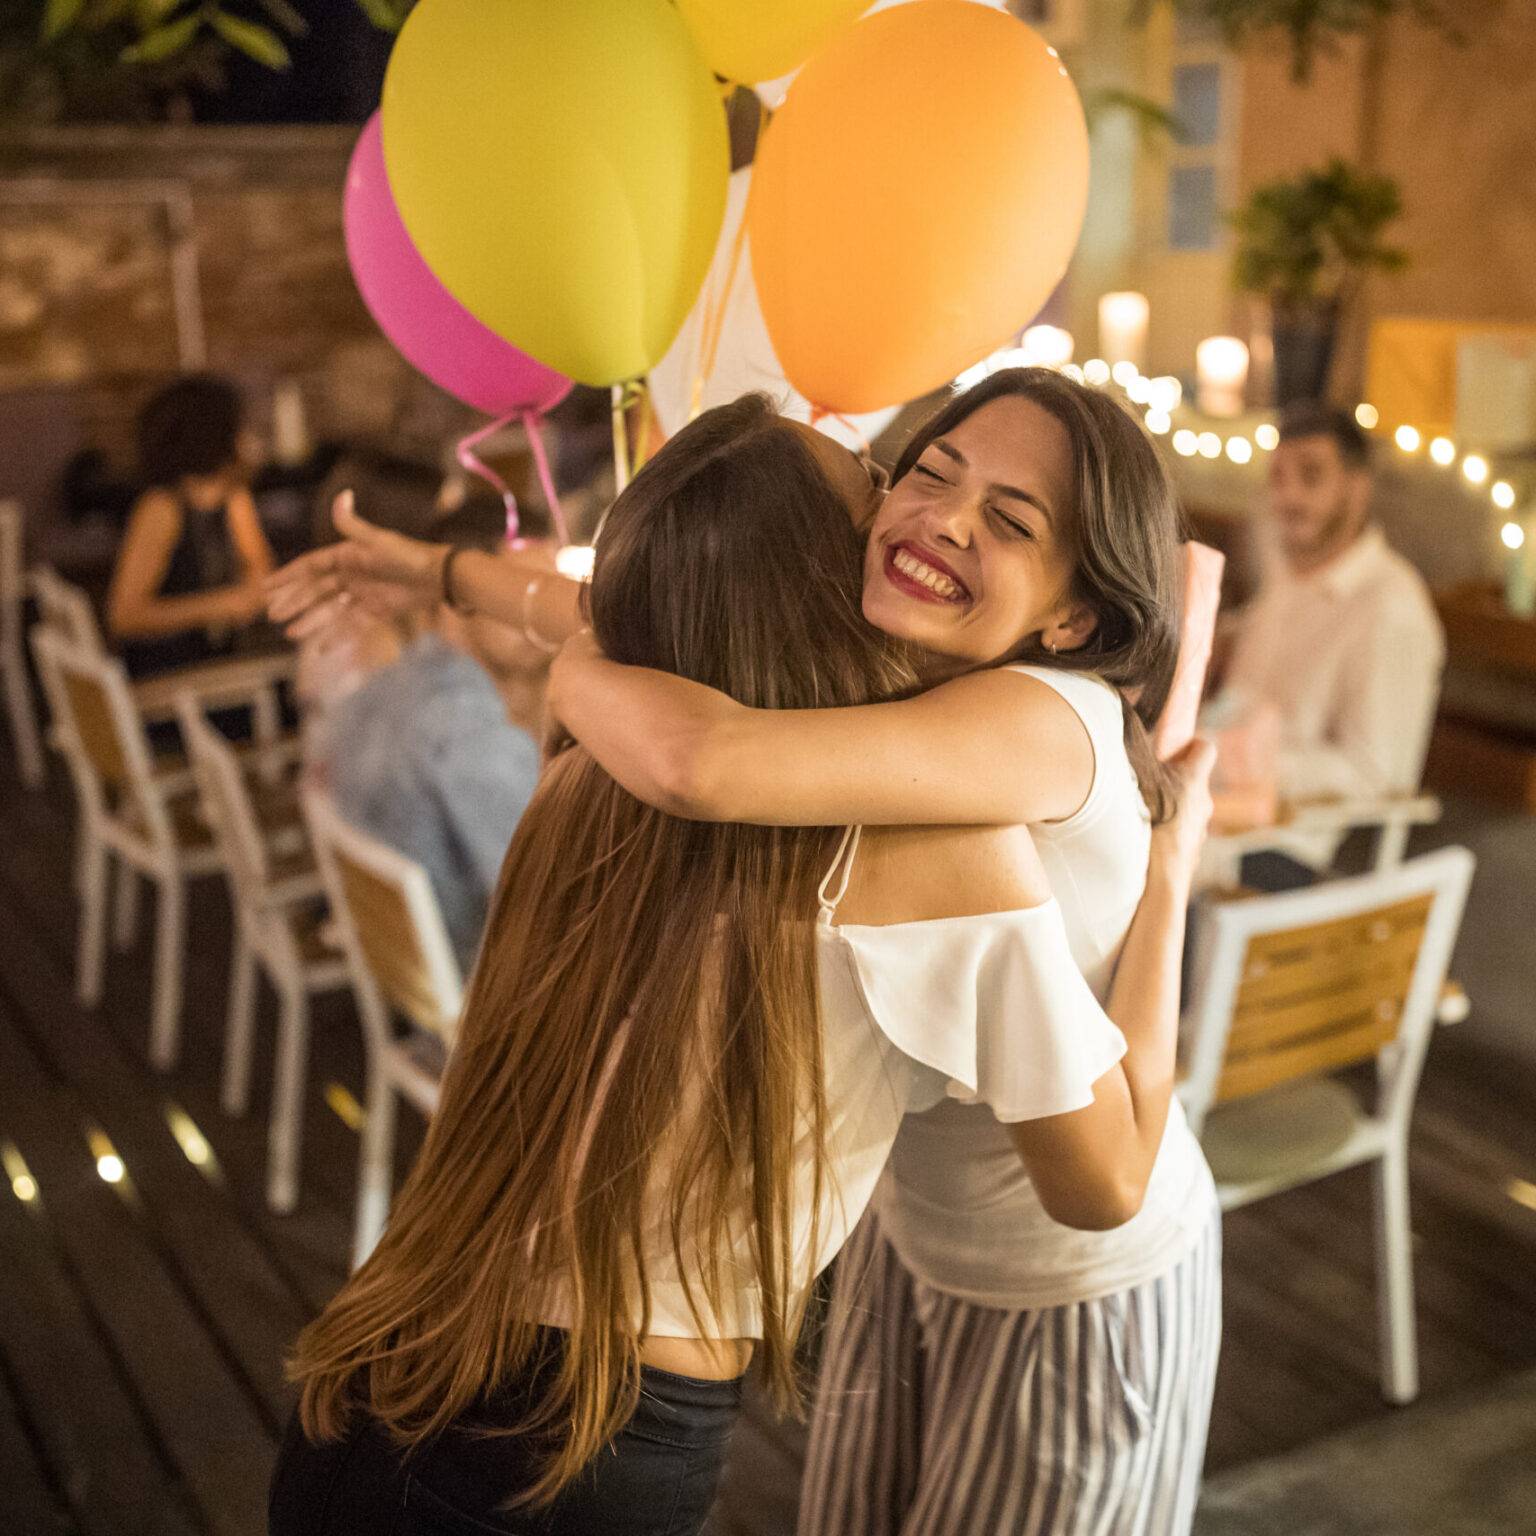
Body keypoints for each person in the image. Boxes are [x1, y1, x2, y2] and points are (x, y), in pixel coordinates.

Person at [264, 390, 1213, 1535]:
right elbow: (698, 742)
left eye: (1011, 517)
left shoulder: (590, 761)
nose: (924, 516)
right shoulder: (942, 845)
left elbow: (641, 656)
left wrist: (487, 602)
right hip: (590, 1434)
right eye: (905, 477)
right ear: (822, 585)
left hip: (393, 1345)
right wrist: (1172, 872)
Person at [546, 371, 1223, 1536]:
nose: (946, 517)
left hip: (1071, 1274)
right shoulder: (897, 687)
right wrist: (471, 587)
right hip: (913, 1236)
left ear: (1070, 619)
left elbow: (701, 761)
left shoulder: (1033, 714)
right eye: (929, 471)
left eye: (1012, 521)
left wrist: (569, 662)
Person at [1218, 402, 1445, 874]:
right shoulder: (1288, 572)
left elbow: (1375, 774)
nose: (1288, 496)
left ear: (1356, 488)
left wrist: (1244, 761)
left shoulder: (1390, 607)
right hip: (1211, 805)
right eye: (1278, 478)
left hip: (1285, 845)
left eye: (1311, 476)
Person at [316, 502, 540, 978]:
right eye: (522, 597)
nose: (545, 623)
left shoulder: (383, 685)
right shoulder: (471, 732)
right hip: (489, 982)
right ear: (455, 601)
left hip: (409, 973)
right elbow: (551, 901)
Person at [108, 374, 274, 677]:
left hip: (223, 661)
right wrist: (222, 605)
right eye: (240, 428)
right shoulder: (162, 507)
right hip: (173, 675)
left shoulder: (234, 497)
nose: (250, 439)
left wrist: (251, 588)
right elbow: (124, 616)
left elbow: (260, 571)